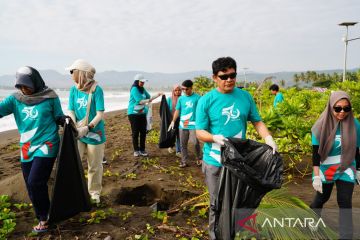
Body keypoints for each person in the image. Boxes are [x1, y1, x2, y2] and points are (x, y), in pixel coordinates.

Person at [195, 57, 278, 240]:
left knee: (238, 202)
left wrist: (269, 138)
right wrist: (213, 138)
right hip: (215, 162)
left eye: (232, 75)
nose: (229, 80)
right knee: (217, 204)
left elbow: (257, 121)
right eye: (224, 76)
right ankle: (216, 235)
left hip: (239, 161)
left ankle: (231, 234)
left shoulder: (245, 97)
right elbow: (199, 132)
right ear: (214, 77)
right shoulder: (206, 100)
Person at [0, 66, 67, 233]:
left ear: (36, 82)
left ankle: (44, 218)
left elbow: (58, 115)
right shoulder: (15, 99)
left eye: (27, 86)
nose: (24, 89)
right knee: (31, 185)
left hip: (47, 144)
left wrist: (64, 120)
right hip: (26, 147)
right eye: (21, 86)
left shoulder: (50, 97)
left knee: (35, 181)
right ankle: (43, 212)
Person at [310, 91, 360, 239]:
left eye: (346, 108)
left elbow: (357, 149)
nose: (342, 112)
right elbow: (315, 154)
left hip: (346, 167)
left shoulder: (355, 125)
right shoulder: (320, 126)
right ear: (331, 107)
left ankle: (346, 236)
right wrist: (317, 176)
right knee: (321, 199)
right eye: (338, 108)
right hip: (325, 168)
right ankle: (312, 218)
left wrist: (358, 170)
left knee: (345, 201)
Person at [66, 59, 106, 204]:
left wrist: (88, 128)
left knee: (94, 166)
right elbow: (71, 109)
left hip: (95, 134)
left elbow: (100, 114)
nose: (70, 74)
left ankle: (94, 194)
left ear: (80, 73)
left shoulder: (97, 90)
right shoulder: (73, 89)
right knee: (74, 163)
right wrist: (72, 123)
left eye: (72, 71)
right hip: (78, 133)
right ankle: (74, 192)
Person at [168, 80, 202, 167]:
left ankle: (199, 158)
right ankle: (184, 161)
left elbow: (201, 111)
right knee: (183, 144)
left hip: (194, 124)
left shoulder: (198, 98)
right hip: (183, 125)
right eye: (182, 89)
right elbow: (177, 110)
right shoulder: (181, 98)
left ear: (191, 88)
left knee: (195, 142)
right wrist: (173, 121)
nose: (184, 91)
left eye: (186, 89)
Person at [128, 74, 162, 157]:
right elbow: (140, 101)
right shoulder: (134, 89)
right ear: (137, 81)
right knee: (135, 132)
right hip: (133, 114)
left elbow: (149, 97)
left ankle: (142, 150)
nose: (143, 83)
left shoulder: (142, 89)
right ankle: (136, 150)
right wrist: (149, 100)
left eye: (143, 82)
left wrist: (158, 94)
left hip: (142, 113)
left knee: (143, 132)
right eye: (141, 82)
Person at [166, 85, 182, 157]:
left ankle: (178, 151)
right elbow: (166, 109)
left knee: (179, 135)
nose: (177, 92)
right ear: (173, 91)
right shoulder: (169, 99)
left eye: (179, 90)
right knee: (172, 134)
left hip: (181, 119)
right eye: (176, 90)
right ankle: (170, 146)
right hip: (172, 119)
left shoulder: (183, 98)